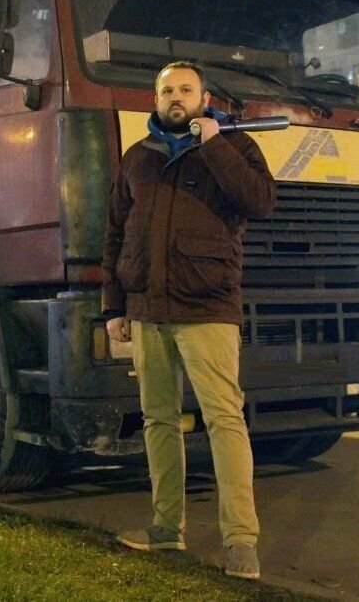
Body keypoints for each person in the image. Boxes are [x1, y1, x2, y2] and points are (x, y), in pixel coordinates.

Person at [102, 60, 276, 580]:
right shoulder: (139, 157)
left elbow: (261, 202)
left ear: (204, 98)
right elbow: (115, 234)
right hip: (148, 312)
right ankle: (166, 530)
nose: (175, 97)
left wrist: (214, 144)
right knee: (158, 420)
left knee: (225, 421)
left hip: (207, 309)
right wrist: (114, 306)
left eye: (185, 90)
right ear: (155, 100)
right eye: (166, 91)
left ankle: (241, 545)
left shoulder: (235, 148)